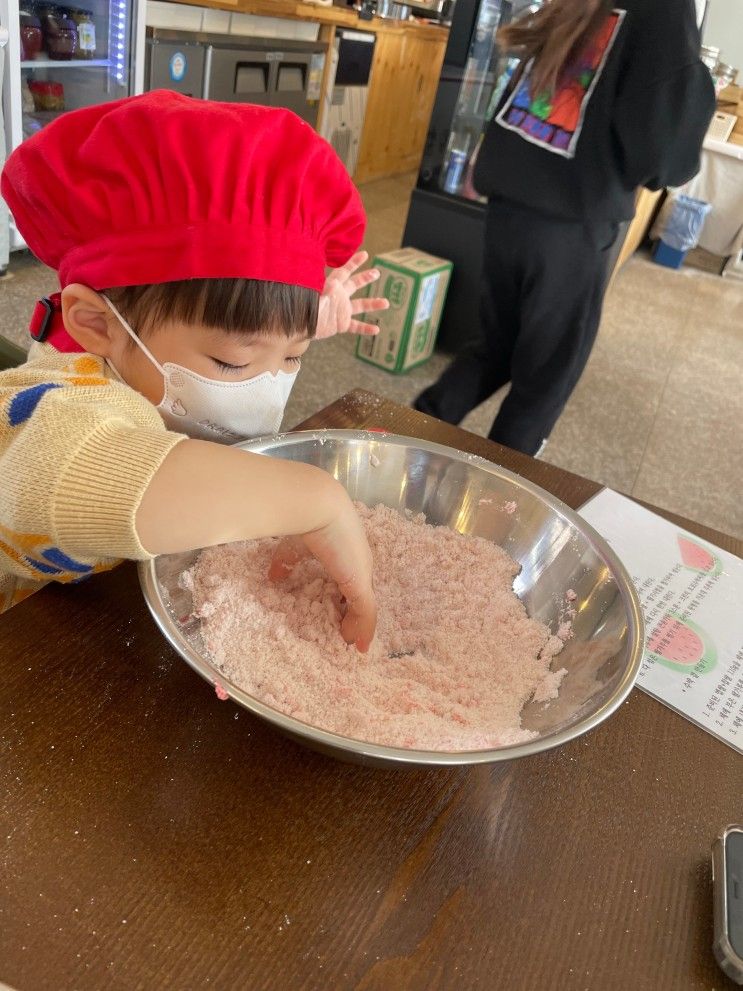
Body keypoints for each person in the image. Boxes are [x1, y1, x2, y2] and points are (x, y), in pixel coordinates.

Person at [0, 90, 388, 649]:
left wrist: (297, 323)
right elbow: (40, 475)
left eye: (294, 358)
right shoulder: (62, 401)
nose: (267, 386)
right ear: (98, 325)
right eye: (232, 362)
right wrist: (318, 502)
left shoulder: (164, 345)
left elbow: (252, 334)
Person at [415, 0, 715, 456]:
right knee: (544, 380)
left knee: (495, 344)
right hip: (573, 224)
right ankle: (500, 500)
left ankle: (407, 434)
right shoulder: (667, 9)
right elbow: (663, 151)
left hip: (508, 206)